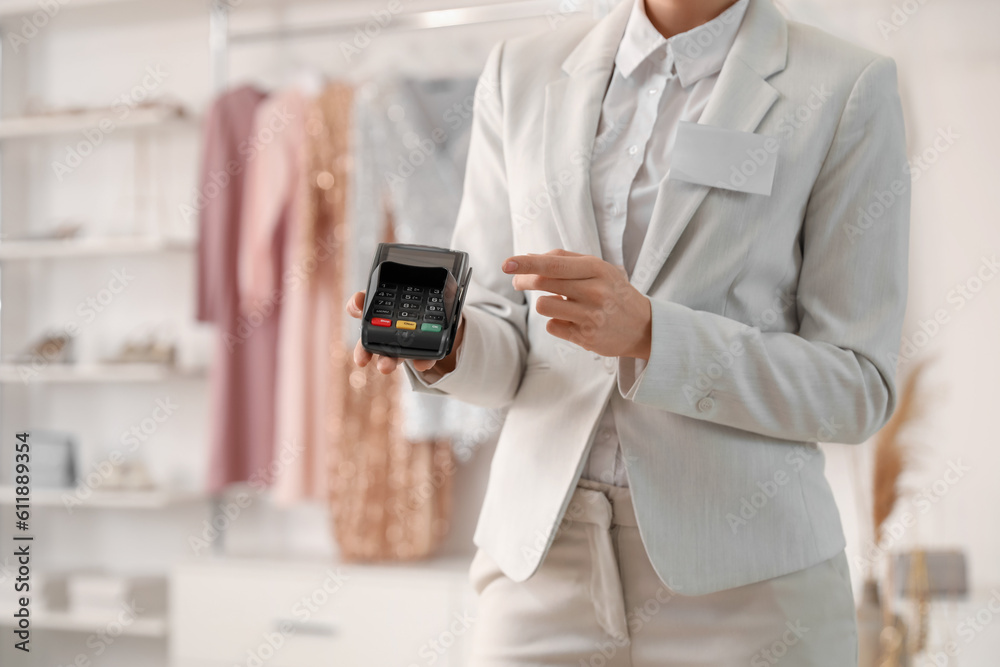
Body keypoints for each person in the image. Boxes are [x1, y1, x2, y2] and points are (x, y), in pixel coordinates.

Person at [346, 0, 909, 662]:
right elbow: (505, 325)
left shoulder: (844, 85)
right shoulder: (519, 71)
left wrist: (653, 335)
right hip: (540, 565)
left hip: (749, 590)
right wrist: (452, 348)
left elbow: (856, 384)